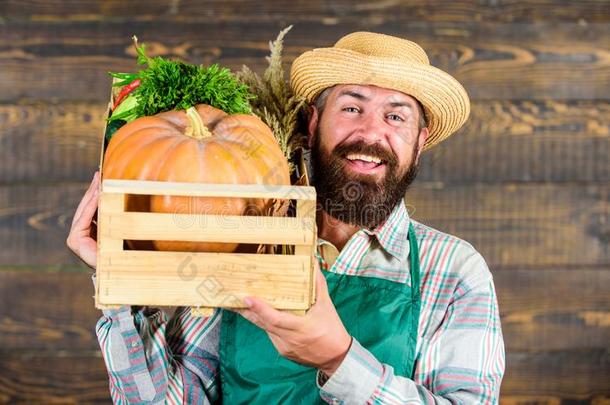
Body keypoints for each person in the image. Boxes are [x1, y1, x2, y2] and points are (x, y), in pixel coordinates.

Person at [67, 31, 505, 404]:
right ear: (312, 125)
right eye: (352, 108)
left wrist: (339, 358)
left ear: (419, 141)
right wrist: (119, 288)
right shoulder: (245, 242)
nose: (371, 133)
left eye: (395, 116)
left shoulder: (454, 270)